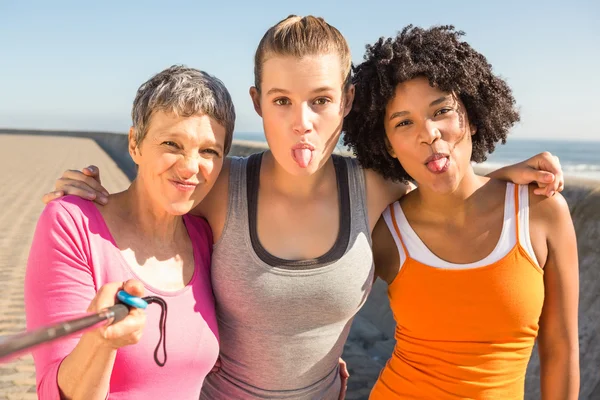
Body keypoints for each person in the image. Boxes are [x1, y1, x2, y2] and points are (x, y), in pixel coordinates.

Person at [41, 16, 566, 400]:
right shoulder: (223, 186)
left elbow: (443, 173)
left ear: (349, 101)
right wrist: (94, 193)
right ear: (256, 101)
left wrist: (501, 177)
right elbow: (160, 188)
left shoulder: (375, 187)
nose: (302, 122)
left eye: (320, 100)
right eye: (281, 101)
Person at [343, 25, 580, 399]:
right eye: (404, 122)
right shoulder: (385, 231)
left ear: (469, 113)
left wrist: (498, 180)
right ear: (386, 145)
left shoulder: (541, 211)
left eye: (442, 111)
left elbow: (561, 350)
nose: (429, 133)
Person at [26, 65, 235, 400]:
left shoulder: (205, 237)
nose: (190, 167)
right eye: (171, 143)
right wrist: (101, 341)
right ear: (135, 145)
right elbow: (54, 391)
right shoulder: (71, 224)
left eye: (209, 150)